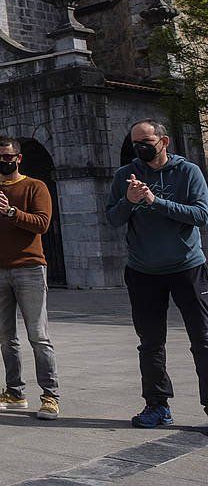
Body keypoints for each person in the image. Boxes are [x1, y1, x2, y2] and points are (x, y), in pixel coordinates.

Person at [107, 119, 208, 429]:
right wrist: (130, 200)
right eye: (135, 141)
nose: (140, 146)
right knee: (150, 342)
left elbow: (201, 214)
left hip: (187, 267)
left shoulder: (187, 171)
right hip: (143, 271)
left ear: (163, 142)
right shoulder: (125, 175)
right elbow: (112, 218)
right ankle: (157, 405)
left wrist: (155, 200)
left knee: (203, 340)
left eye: (146, 140)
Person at [0, 135, 60, 420]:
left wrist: (11, 212)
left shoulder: (35, 186)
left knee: (38, 335)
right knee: (6, 335)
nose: (3, 161)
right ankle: (15, 391)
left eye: (9, 157)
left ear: (18, 158)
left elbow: (42, 224)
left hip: (29, 267)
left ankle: (50, 395)